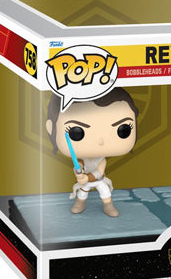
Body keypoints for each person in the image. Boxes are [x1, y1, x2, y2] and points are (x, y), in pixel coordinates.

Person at [46, 88, 138, 217]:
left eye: (123, 130)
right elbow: (79, 165)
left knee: (105, 192)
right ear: (51, 128)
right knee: (82, 193)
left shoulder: (101, 160)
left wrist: (87, 178)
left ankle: (108, 205)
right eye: (76, 132)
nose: (100, 141)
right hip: (85, 182)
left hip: (98, 180)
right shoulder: (82, 158)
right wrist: (78, 171)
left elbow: (99, 172)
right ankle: (80, 203)